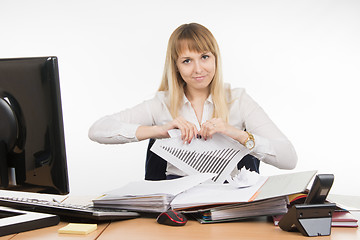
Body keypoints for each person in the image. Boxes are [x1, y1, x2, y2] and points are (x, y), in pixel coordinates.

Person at [88, 23, 297, 179]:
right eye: (187, 61)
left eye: (204, 57)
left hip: (230, 204)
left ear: (215, 58)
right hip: (178, 204)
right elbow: (97, 129)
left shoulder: (238, 100)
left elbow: (289, 159)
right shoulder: (162, 103)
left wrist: (237, 134)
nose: (198, 69)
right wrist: (159, 131)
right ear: (176, 66)